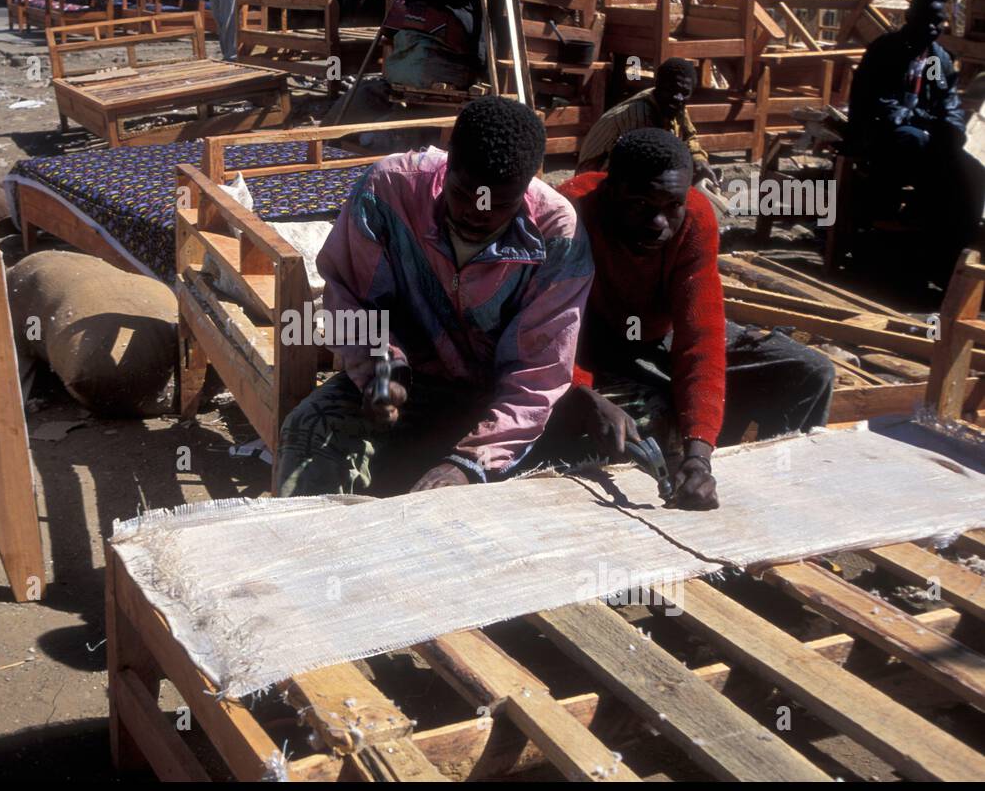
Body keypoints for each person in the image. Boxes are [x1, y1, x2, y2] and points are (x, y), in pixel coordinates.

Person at [276, 97, 594, 497]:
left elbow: (538, 375)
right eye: (463, 194)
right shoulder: (388, 190)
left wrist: (468, 463)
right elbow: (346, 294)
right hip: (415, 387)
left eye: (500, 204)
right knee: (309, 428)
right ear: (448, 166)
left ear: (527, 185)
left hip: (494, 405)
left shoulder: (557, 235)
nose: (476, 214)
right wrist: (383, 367)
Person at [552, 129, 835, 510]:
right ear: (610, 189)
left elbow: (699, 338)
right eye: (640, 204)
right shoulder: (571, 212)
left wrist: (699, 452)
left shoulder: (696, 219)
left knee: (811, 372)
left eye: (672, 205)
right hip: (591, 337)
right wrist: (580, 393)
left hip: (658, 332)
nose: (658, 223)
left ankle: (775, 500)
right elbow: (556, 327)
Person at [847, 0, 981, 284]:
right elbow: (881, 106)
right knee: (915, 141)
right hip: (881, 137)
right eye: (928, 19)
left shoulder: (940, 59)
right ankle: (898, 230)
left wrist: (951, 128)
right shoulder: (885, 50)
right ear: (910, 16)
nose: (934, 27)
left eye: (939, 22)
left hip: (926, 138)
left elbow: (950, 104)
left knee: (972, 168)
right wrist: (926, 121)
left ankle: (952, 258)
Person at [577, 57, 718, 186]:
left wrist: (699, 160)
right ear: (658, 85)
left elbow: (689, 136)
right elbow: (647, 159)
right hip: (593, 177)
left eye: (685, 93)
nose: (678, 97)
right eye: (670, 90)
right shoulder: (640, 113)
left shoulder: (677, 104)